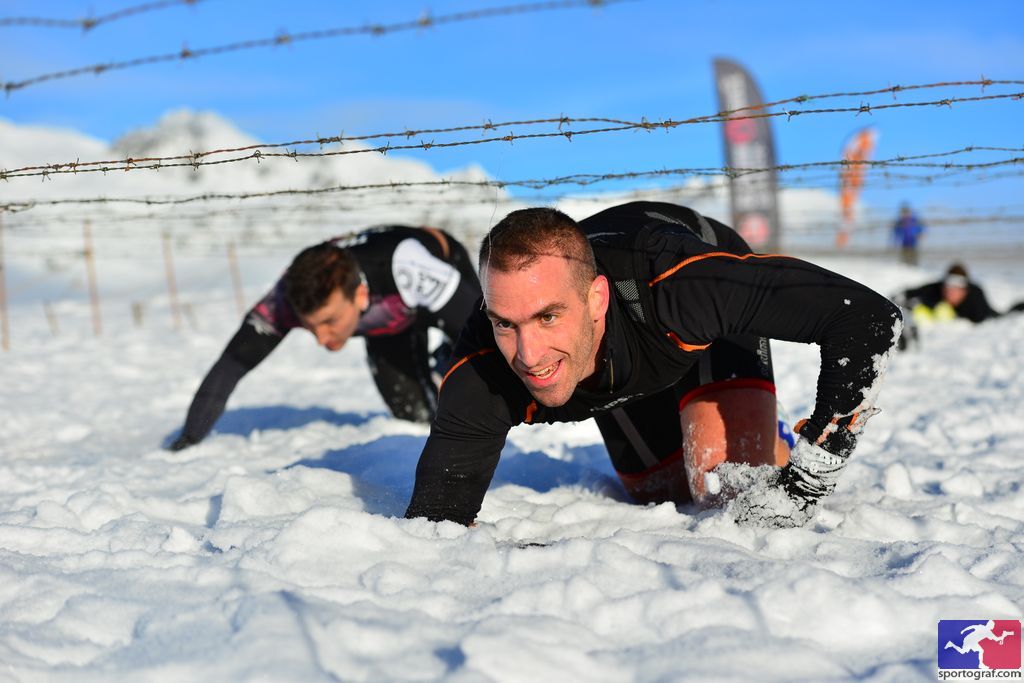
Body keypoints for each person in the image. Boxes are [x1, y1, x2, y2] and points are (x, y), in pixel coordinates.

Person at [404, 202, 902, 528]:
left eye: (548, 316)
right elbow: (435, 531)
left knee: (724, 491)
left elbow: (868, 320)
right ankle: (692, 406)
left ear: (596, 299)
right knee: (656, 495)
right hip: (629, 355)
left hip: (686, 311)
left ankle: (755, 424)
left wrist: (812, 474)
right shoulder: (482, 367)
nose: (528, 355)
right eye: (505, 323)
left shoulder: (683, 288)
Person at [168, 225, 481, 450]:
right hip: (387, 320)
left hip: (436, 265)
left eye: (329, 321)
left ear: (359, 295)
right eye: (309, 326)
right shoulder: (287, 298)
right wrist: (189, 437)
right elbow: (233, 363)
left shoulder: (408, 268)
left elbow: (486, 335)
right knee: (412, 415)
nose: (321, 338)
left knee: (471, 359)